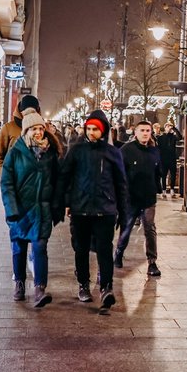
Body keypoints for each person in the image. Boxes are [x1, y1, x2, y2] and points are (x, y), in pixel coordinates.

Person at [55, 110, 128, 310]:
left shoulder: (113, 153)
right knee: (81, 249)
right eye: (89, 128)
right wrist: (66, 202)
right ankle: (84, 284)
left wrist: (123, 210)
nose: (91, 132)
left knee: (105, 250)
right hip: (81, 209)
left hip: (105, 209)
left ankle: (106, 287)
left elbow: (121, 183)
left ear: (103, 130)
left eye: (95, 129)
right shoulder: (77, 150)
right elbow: (65, 178)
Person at [0, 109, 60, 308]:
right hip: (20, 209)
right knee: (19, 248)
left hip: (42, 211)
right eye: (34, 128)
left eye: (41, 128)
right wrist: (11, 209)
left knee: (40, 247)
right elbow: (7, 183)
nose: (38, 132)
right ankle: (19, 283)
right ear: (26, 130)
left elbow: (57, 181)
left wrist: (57, 206)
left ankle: (39, 289)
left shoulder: (50, 152)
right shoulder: (15, 152)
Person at [115, 120, 163, 277]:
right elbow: (119, 173)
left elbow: (158, 171)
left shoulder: (154, 150)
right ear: (135, 133)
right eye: (142, 130)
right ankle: (119, 252)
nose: (145, 133)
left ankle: (152, 262)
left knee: (150, 229)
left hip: (149, 198)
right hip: (131, 198)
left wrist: (158, 188)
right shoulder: (126, 150)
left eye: (148, 130)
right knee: (127, 228)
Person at [0, 94, 41, 177]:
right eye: (26, 112)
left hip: (36, 181)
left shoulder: (42, 128)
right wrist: (4, 175)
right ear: (21, 111)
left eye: (32, 112)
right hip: (13, 178)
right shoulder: (8, 128)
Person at [156, 122, 181, 199]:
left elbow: (180, 137)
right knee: (163, 175)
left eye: (170, 126)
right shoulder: (161, 137)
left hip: (172, 159)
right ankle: (163, 190)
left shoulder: (173, 137)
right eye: (167, 126)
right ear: (165, 128)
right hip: (163, 159)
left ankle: (172, 190)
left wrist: (174, 128)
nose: (169, 127)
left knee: (173, 175)